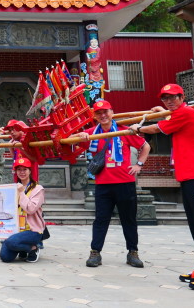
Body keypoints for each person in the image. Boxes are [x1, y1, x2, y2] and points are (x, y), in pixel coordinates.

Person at [131, 84, 194, 291]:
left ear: (182, 97)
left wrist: (138, 129)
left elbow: (157, 129)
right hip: (190, 178)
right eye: (165, 98)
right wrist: (161, 112)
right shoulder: (181, 114)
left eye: (173, 97)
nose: (169, 101)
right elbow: (170, 120)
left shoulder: (187, 113)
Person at [74, 100, 150, 269]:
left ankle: (133, 252)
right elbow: (69, 140)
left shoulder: (124, 131)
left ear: (112, 112)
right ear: (95, 116)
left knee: (129, 219)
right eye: (99, 113)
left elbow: (145, 146)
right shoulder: (93, 133)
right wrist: (81, 136)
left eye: (105, 112)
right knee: (101, 220)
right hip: (103, 185)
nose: (103, 115)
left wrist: (139, 165)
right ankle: (95, 252)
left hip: (125, 183)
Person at [0, 157, 46, 263]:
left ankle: (33, 249)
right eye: (19, 170)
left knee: (11, 242)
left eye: (25, 169)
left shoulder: (38, 189)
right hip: (16, 229)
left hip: (32, 231)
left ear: (30, 171)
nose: (22, 172)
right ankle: (23, 249)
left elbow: (31, 209)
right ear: (16, 172)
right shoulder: (13, 188)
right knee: (5, 257)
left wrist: (21, 192)